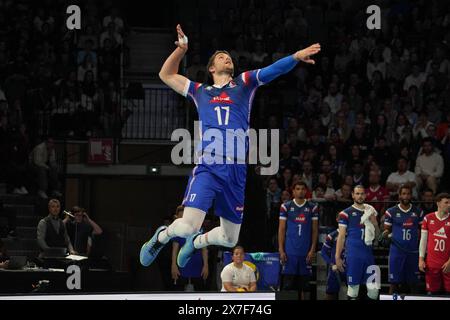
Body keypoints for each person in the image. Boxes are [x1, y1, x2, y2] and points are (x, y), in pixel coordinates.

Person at [140, 24, 321, 268]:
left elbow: (271, 71)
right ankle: (161, 236)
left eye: (229, 57)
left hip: (236, 169)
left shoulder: (244, 84)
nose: (227, 58)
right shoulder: (199, 90)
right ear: (212, 68)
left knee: (229, 238)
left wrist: (295, 57)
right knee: (186, 226)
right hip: (210, 163)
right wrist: (181, 51)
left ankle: (197, 243)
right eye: (221, 57)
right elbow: (166, 75)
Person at [335, 185, 380, 300]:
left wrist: (375, 223)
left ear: (365, 195)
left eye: (362, 194)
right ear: (353, 195)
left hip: (368, 255)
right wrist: (337, 257)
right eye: (357, 193)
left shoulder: (371, 212)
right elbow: (341, 237)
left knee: (374, 291)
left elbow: (378, 237)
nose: (360, 196)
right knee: (353, 291)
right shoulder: (345, 213)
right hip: (353, 256)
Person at [278, 182, 319, 300]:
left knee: (305, 286)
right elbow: (281, 229)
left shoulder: (312, 207)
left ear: (306, 191)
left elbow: (315, 230)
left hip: (306, 253)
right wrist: (281, 250)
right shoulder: (285, 206)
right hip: (289, 252)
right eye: (297, 189)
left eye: (302, 189)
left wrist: (312, 250)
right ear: (293, 191)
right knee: (287, 285)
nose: (300, 191)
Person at [382, 185, 423, 294]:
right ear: (399, 195)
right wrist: (385, 234)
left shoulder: (418, 211)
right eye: (403, 193)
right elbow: (386, 230)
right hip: (396, 252)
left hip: (413, 252)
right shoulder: (391, 211)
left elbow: (423, 231)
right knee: (394, 283)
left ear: (411, 195)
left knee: (414, 284)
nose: (406, 196)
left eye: (408, 193)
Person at [171, 206, 209, 291]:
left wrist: (206, 265)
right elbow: (174, 250)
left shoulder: (199, 229)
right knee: (180, 294)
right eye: (180, 217)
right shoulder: (176, 232)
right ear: (176, 217)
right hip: (182, 268)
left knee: (199, 293)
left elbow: (204, 249)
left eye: (184, 217)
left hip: (198, 267)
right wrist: (173, 265)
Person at [419, 193, 450, 295]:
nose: (449, 205)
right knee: (432, 293)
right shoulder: (428, 218)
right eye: (446, 202)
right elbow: (423, 241)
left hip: (448, 264)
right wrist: (421, 259)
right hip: (432, 264)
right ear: (438, 203)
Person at [320, 215, 346, 300]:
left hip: (349, 268)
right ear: (337, 219)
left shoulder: (351, 234)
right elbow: (323, 252)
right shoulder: (332, 235)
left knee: (351, 294)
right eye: (340, 217)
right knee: (330, 295)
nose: (343, 219)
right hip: (335, 270)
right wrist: (331, 263)